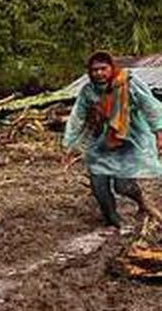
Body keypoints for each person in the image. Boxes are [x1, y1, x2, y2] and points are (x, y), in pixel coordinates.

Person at [62, 51, 162, 232]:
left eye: (103, 68)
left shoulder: (128, 83)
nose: (99, 73)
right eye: (94, 70)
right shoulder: (88, 91)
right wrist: (69, 145)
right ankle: (113, 218)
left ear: (112, 68)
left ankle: (141, 200)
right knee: (98, 183)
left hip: (129, 140)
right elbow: (77, 117)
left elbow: (150, 106)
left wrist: (158, 132)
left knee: (123, 185)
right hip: (101, 143)